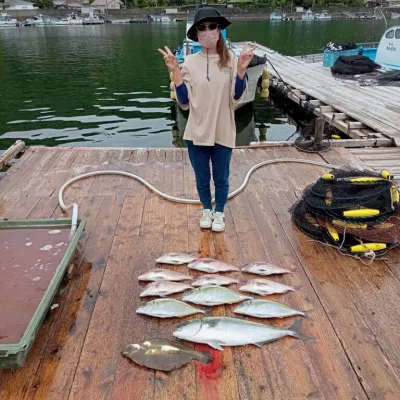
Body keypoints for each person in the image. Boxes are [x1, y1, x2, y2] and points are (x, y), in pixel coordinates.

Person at [158, 7, 255, 232]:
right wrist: (176, 72)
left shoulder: (231, 59)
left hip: (223, 129)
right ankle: (206, 209)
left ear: (219, 30)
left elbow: (237, 96)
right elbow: (184, 101)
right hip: (196, 131)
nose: (208, 31)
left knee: (221, 177)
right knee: (202, 178)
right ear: (196, 34)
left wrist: (241, 71)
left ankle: (219, 212)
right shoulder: (190, 62)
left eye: (212, 26)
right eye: (202, 28)